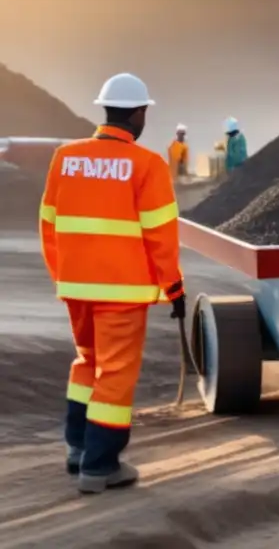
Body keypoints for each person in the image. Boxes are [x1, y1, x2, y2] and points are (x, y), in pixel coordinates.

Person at [39, 73, 185, 494]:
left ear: (105, 109)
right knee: (115, 374)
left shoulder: (65, 157)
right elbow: (161, 236)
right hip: (121, 293)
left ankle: (78, 449)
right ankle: (100, 466)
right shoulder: (147, 165)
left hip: (76, 287)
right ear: (139, 114)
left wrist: (64, 276)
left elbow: (48, 225)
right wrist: (173, 289)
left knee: (87, 362)